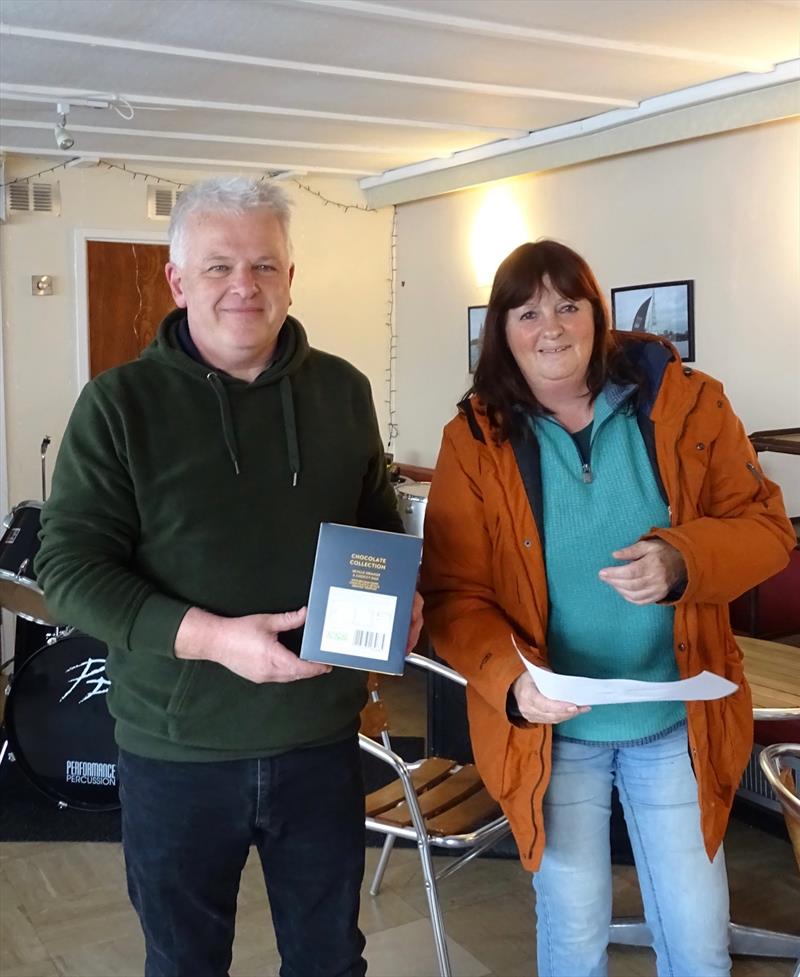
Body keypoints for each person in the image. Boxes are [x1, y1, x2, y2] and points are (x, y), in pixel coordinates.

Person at [36, 176, 421, 977]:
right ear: (179, 281)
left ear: (290, 276)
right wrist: (214, 639)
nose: (244, 286)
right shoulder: (118, 404)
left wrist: (400, 597)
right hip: (176, 752)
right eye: (218, 267)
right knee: (184, 963)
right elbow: (67, 566)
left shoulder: (343, 391)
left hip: (318, 739)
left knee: (328, 960)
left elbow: (376, 524)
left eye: (264, 265)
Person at [419, 240, 795, 977]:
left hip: (674, 720)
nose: (550, 326)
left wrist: (684, 558)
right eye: (528, 311)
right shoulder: (474, 440)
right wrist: (512, 684)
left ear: (600, 314)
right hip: (554, 733)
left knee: (696, 934)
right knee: (574, 930)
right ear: (503, 330)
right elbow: (454, 596)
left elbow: (766, 530)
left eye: (568, 304)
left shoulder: (690, 402)